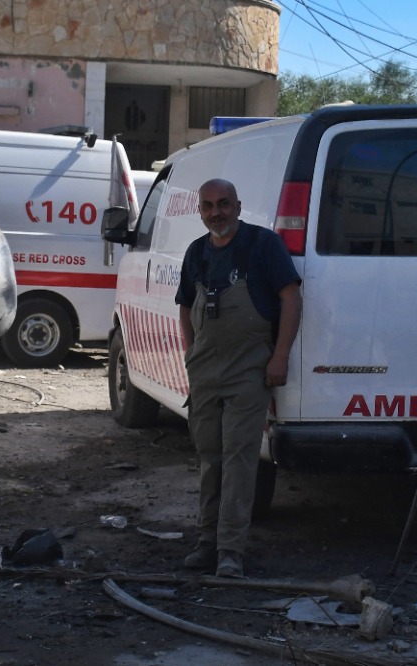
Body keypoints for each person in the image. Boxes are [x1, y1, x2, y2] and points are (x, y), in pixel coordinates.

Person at [175, 178, 302, 578]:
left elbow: (291, 297)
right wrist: (190, 355)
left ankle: (231, 551)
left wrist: (280, 356)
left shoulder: (262, 245)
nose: (217, 212)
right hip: (206, 372)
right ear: (200, 211)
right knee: (210, 459)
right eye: (209, 205)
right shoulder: (196, 252)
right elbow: (185, 306)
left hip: (249, 370)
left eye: (224, 204)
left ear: (239, 205)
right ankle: (206, 543)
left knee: (240, 460)